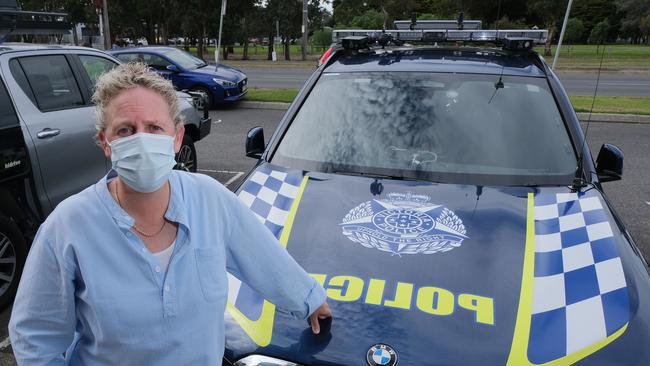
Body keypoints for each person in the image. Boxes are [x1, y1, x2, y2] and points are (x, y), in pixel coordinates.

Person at [9, 63, 331, 365]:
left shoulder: (209, 198)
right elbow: (37, 335)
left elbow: (262, 255)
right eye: (125, 130)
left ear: (177, 137)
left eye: (154, 127)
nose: (142, 139)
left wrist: (309, 299)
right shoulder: (68, 226)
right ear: (105, 143)